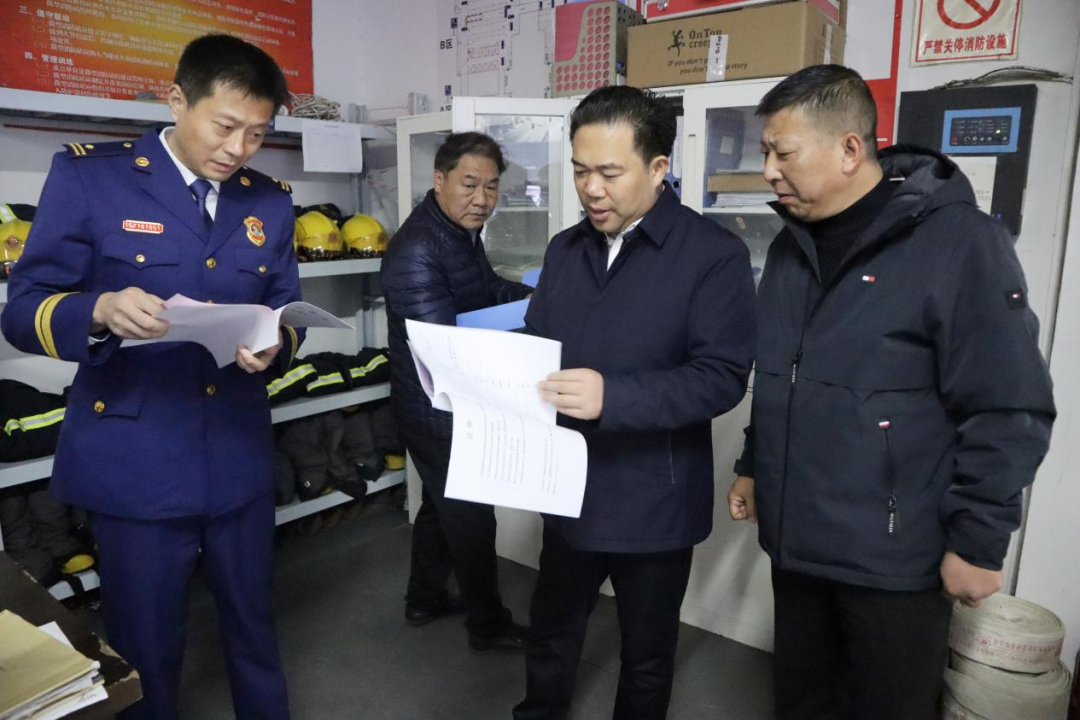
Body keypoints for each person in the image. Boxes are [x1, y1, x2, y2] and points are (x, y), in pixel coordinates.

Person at [726, 64, 1056, 720]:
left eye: (783, 153)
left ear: (850, 148)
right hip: (797, 545)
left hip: (894, 559)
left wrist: (979, 540)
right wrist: (753, 464)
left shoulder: (958, 244)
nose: (768, 172)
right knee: (800, 702)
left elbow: (1008, 403)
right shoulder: (792, 248)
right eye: (765, 153)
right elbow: (784, 375)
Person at [1, 34, 301, 720]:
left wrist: (275, 343)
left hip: (237, 452)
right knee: (146, 648)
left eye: (257, 134)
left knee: (255, 628)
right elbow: (22, 310)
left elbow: (286, 309)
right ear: (176, 101)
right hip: (137, 459)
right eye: (225, 126)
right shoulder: (91, 179)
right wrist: (98, 310)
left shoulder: (269, 202)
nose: (238, 149)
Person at [514, 86, 756, 719]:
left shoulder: (713, 255)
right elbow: (537, 343)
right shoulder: (565, 249)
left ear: (657, 167)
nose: (591, 189)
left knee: (646, 653)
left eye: (609, 172)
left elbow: (722, 377)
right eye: (580, 171)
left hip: (655, 497)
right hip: (568, 485)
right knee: (552, 627)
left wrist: (612, 396)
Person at [381, 132, 533, 651]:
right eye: (469, 184)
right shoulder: (418, 249)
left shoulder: (459, 233)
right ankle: (488, 626)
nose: (482, 199)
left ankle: (424, 598)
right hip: (434, 408)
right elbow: (443, 345)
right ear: (440, 179)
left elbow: (486, 289)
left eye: (491, 187)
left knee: (439, 505)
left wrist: (541, 297)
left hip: (445, 402)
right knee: (471, 517)